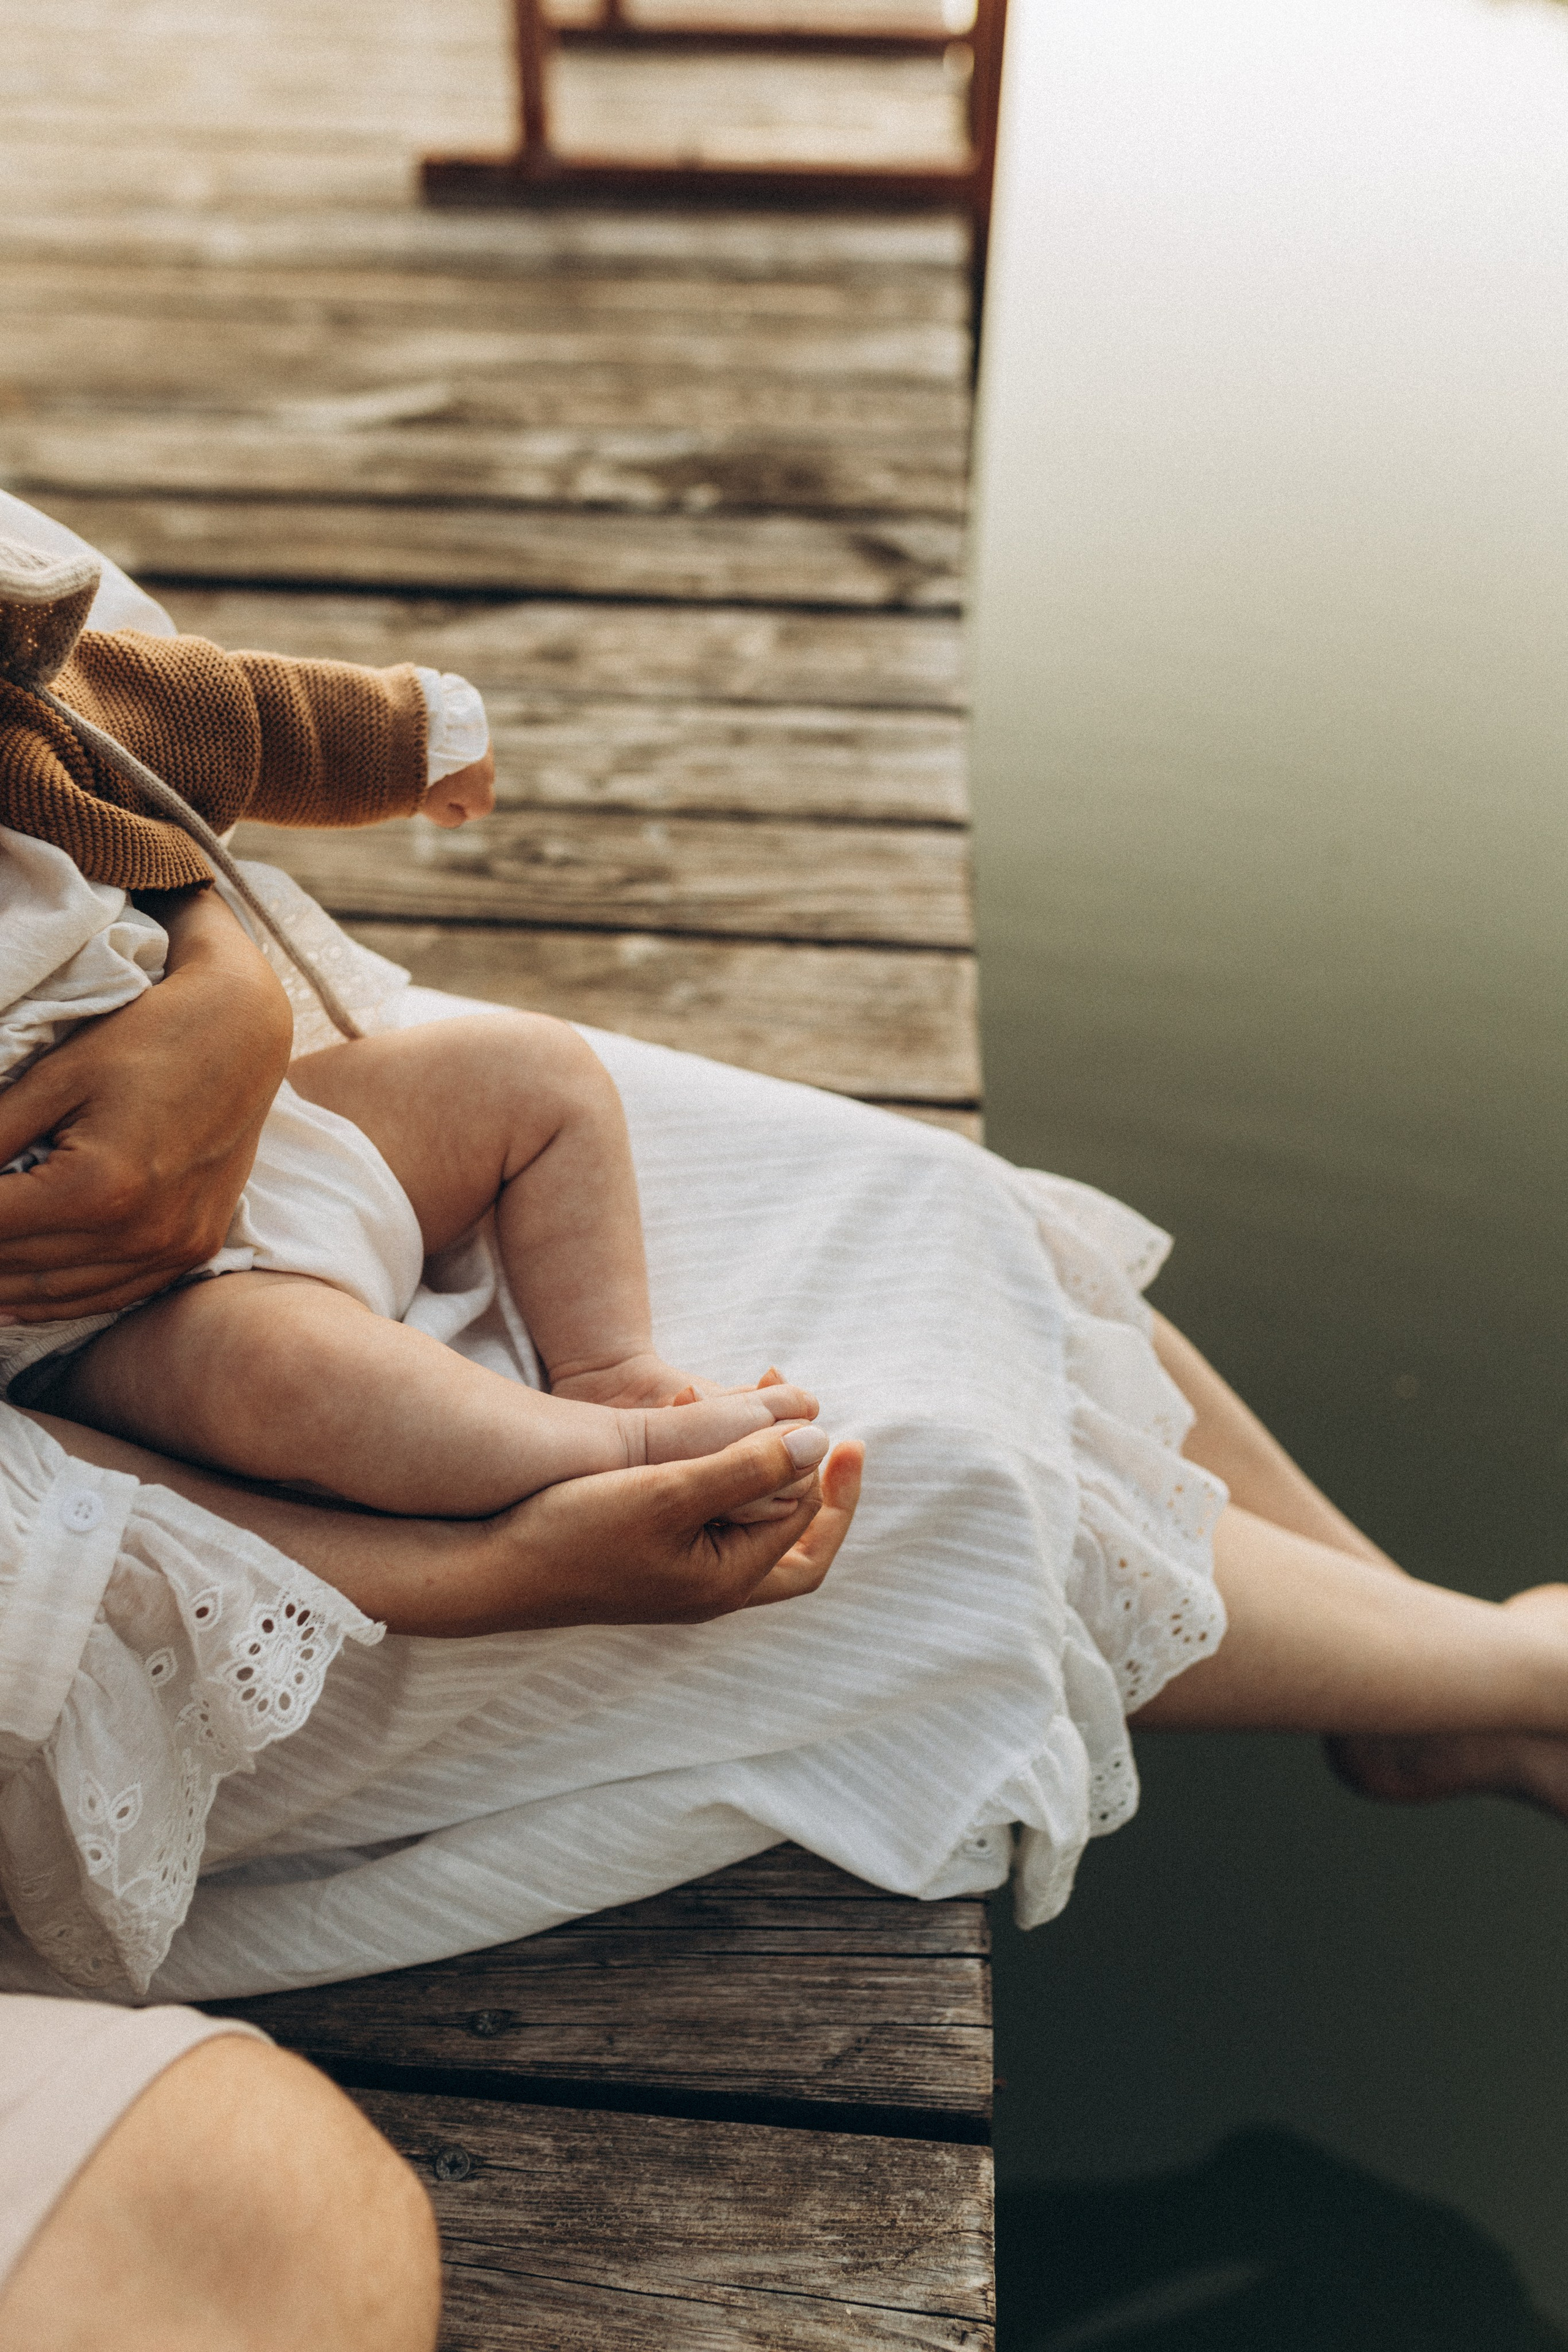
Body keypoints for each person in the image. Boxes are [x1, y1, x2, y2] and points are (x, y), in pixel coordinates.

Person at [0, 486, 1565, 2033]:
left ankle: (1432, 1671)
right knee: (899, 1460)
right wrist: (494, 1576)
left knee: (825, 1169)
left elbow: (206, 724)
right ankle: (1492, 1682)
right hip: (79, 1332)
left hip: (236, 1107)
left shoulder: (26, 680)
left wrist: (252, 944)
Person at [0, 536, 826, 1517]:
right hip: (84, 1303)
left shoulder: (31, 717)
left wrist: (411, 736)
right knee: (288, 1374)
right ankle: (620, 1450)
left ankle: (610, 1370)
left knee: (532, 1071)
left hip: (254, 1113)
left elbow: (222, 714)